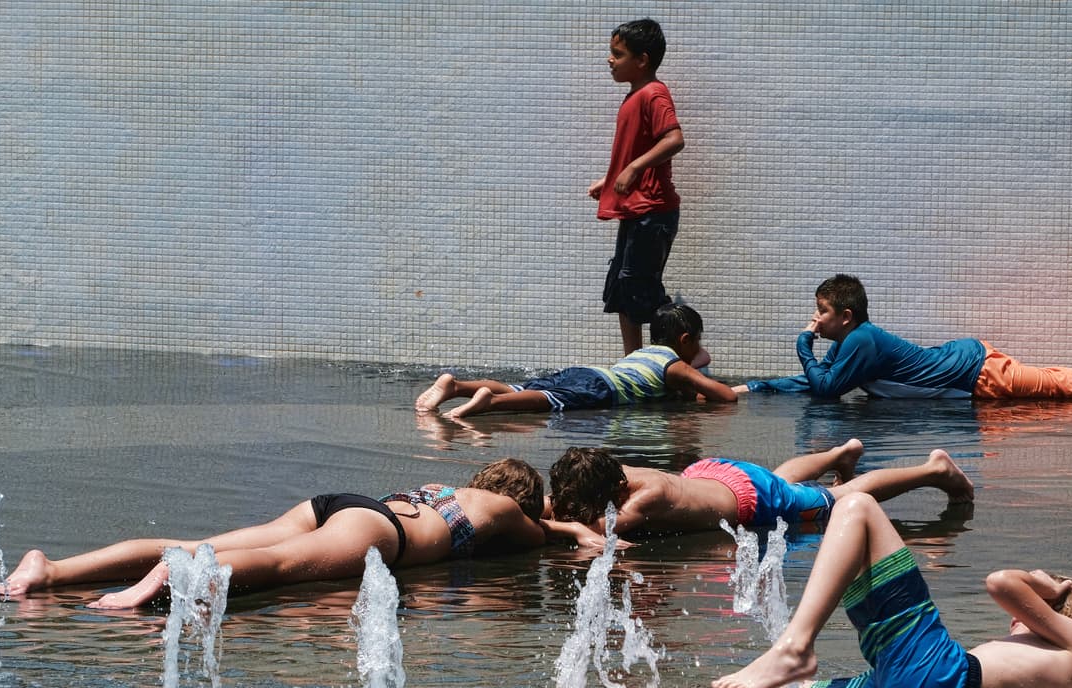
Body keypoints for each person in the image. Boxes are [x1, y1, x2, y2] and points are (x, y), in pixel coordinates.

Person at [578, 493, 1072, 688]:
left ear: (1070, 616)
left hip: (939, 684)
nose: (1018, 624)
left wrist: (1054, 586)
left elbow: (1002, 582)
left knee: (858, 506)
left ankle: (796, 644)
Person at [0, 459, 590, 609]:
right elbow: (542, 536)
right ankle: (158, 583)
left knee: (210, 539)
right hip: (379, 533)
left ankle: (50, 570)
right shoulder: (506, 512)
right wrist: (578, 533)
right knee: (277, 566)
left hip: (342, 504)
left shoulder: (449, 489)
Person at [739, 274, 1072, 402]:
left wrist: (803, 343)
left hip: (977, 376)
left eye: (821, 313)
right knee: (1054, 377)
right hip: (969, 360)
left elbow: (823, 389)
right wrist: (754, 388)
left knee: (1059, 387)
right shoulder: (852, 343)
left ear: (845, 315)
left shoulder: (859, 342)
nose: (814, 320)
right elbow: (815, 382)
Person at [544, 439, 973, 540]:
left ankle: (933, 470)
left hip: (753, 501)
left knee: (836, 501)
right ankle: (841, 453)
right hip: (714, 473)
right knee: (780, 478)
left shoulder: (645, 499)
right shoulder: (612, 470)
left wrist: (550, 522)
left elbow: (599, 534)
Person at [415, 302, 735, 419]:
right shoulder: (675, 365)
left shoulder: (643, 354)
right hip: (600, 388)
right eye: (698, 342)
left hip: (588, 372)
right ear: (685, 341)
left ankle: (456, 386)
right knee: (548, 401)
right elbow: (727, 396)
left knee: (524, 386)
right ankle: (492, 403)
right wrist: (697, 371)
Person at [590, 18, 685, 356]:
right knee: (622, 287)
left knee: (642, 288)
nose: (610, 59)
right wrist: (613, 177)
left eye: (617, 54)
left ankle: (688, 352)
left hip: (653, 212)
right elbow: (636, 148)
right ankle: (632, 361)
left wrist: (632, 168)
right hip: (636, 209)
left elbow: (674, 139)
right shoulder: (634, 96)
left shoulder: (653, 94)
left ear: (641, 59)